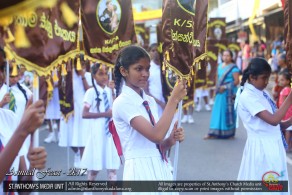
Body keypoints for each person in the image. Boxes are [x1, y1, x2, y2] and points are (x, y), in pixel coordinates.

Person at [112, 45, 186, 186]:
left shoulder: (149, 101)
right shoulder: (122, 102)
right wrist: (173, 100)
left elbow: (156, 145)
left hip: (159, 166)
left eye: (147, 69)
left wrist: (171, 139)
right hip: (139, 172)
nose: (145, 74)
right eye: (139, 69)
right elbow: (156, 135)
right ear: (124, 71)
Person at [235, 58, 292, 195]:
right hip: (262, 148)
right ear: (252, 77)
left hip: (273, 145)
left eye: (268, 78)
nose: (267, 82)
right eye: (264, 78)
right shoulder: (247, 96)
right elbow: (273, 120)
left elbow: (278, 124)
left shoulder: (263, 93)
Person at [81, 63, 120, 195]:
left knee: (112, 168)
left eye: (105, 73)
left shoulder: (109, 91)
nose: (104, 77)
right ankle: (87, 192)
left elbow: (115, 109)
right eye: (100, 74)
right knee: (94, 168)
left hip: (109, 134)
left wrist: (114, 92)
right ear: (93, 76)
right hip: (97, 133)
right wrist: (104, 114)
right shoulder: (90, 92)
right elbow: (84, 114)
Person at [0, 100, 47, 191]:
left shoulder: (9, 118)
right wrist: (22, 131)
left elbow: (23, 189)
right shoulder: (20, 130)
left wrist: (32, 167)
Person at [58, 56, 92, 168]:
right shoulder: (69, 75)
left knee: (82, 137)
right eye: (78, 64)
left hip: (83, 109)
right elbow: (63, 90)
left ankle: (83, 163)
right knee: (70, 137)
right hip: (71, 109)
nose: (80, 67)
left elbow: (89, 90)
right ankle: (77, 153)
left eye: (82, 64)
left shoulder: (87, 75)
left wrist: (83, 77)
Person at [205, 50, 240, 139]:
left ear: (231, 57)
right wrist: (217, 89)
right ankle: (213, 132)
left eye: (228, 55)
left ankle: (229, 133)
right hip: (219, 93)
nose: (225, 57)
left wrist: (225, 87)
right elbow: (218, 79)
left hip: (228, 93)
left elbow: (236, 81)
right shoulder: (219, 66)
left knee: (227, 112)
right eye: (224, 55)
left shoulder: (234, 68)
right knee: (217, 112)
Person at [44, 69, 61, 143]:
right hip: (48, 93)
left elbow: (62, 80)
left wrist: (54, 85)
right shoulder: (46, 68)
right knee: (48, 115)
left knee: (59, 115)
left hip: (57, 93)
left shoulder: (60, 67)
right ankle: (51, 134)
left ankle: (60, 135)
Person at [278, 71, 292, 152]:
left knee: (287, 129)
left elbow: (284, 103)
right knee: (288, 129)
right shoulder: (286, 89)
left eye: (282, 80)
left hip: (287, 112)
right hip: (287, 111)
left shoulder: (286, 89)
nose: (280, 81)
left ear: (288, 81)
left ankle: (286, 146)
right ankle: (288, 145)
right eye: (280, 80)